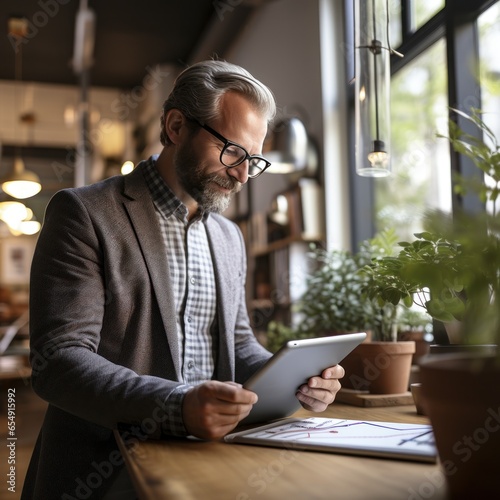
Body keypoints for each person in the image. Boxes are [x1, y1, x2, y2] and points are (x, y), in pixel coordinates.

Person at [22, 60, 345, 499]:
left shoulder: (229, 237)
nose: (243, 174)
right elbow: (58, 363)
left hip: (211, 465)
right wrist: (177, 405)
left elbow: (237, 343)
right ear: (176, 126)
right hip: (102, 471)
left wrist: (292, 377)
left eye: (253, 159)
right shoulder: (84, 214)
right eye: (232, 151)